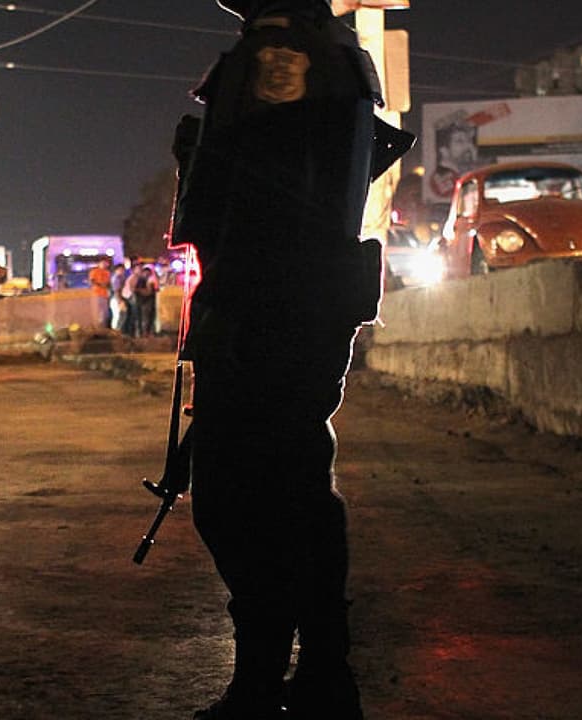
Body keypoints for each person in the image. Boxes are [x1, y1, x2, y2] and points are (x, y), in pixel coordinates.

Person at [170, 1, 410, 718]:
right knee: (291, 487)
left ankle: (272, 679)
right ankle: (318, 675)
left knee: (245, 496)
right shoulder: (326, 52)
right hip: (290, 305)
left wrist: (231, 313)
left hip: (267, 308)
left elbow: (268, 196)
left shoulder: (284, 51)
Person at [128, 264, 159, 337]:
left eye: (148, 272)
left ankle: (145, 333)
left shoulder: (151, 280)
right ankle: (141, 333)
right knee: (141, 318)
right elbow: (135, 289)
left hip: (148, 301)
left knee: (147, 318)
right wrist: (144, 291)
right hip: (141, 301)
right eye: (145, 272)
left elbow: (154, 290)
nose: (146, 274)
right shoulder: (140, 279)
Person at [88, 259, 112, 328]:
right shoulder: (94, 271)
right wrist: (101, 285)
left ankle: (103, 328)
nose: (104, 264)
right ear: (99, 263)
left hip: (105, 295)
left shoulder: (107, 272)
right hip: (97, 294)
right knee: (98, 313)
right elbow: (92, 281)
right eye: (103, 263)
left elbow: (109, 283)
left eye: (106, 263)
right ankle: (98, 328)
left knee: (105, 313)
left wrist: (107, 286)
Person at [109, 263, 129, 332]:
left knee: (121, 316)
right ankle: (115, 332)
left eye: (123, 270)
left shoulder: (121, 277)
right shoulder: (116, 278)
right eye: (120, 270)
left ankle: (117, 332)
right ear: (116, 270)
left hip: (118, 299)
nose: (122, 271)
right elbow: (116, 291)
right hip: (116, 299)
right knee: (118, 316)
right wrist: (120, 301)